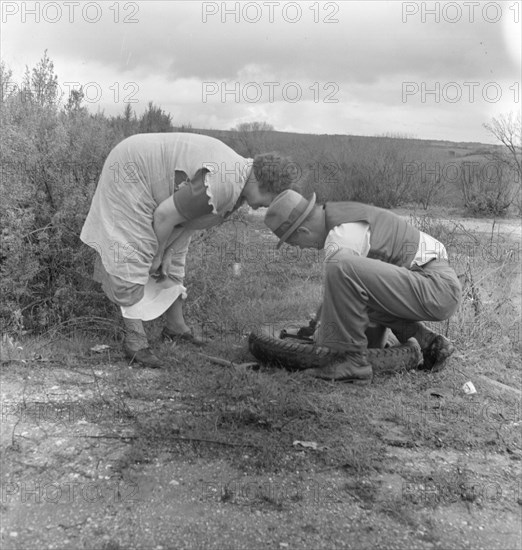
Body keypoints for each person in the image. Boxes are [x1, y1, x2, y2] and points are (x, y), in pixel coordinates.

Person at [81, 132, 294, 367]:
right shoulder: (224, 183)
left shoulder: (239, 181)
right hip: (131, 170)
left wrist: (169, 252)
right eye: (269, 198)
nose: (266, 205)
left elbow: (185, 220)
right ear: (262, 183)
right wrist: (158, 253)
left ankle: (175, 328)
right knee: (134, 252)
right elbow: (163, 216)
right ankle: (135, 341)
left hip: (155, 185)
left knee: (175, 260)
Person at [264, 190, 461, 384]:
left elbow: (340, 278)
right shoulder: (343, 217)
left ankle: (353, 362)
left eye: (295, 243)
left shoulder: (341, 235)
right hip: (432, 284)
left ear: (303, 231)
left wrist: (330, 340)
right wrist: (315, 326)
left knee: (338, 266)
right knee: (352, 293)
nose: (301, 248)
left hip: (437, 288)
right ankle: (428, 342)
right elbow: (345, 295)